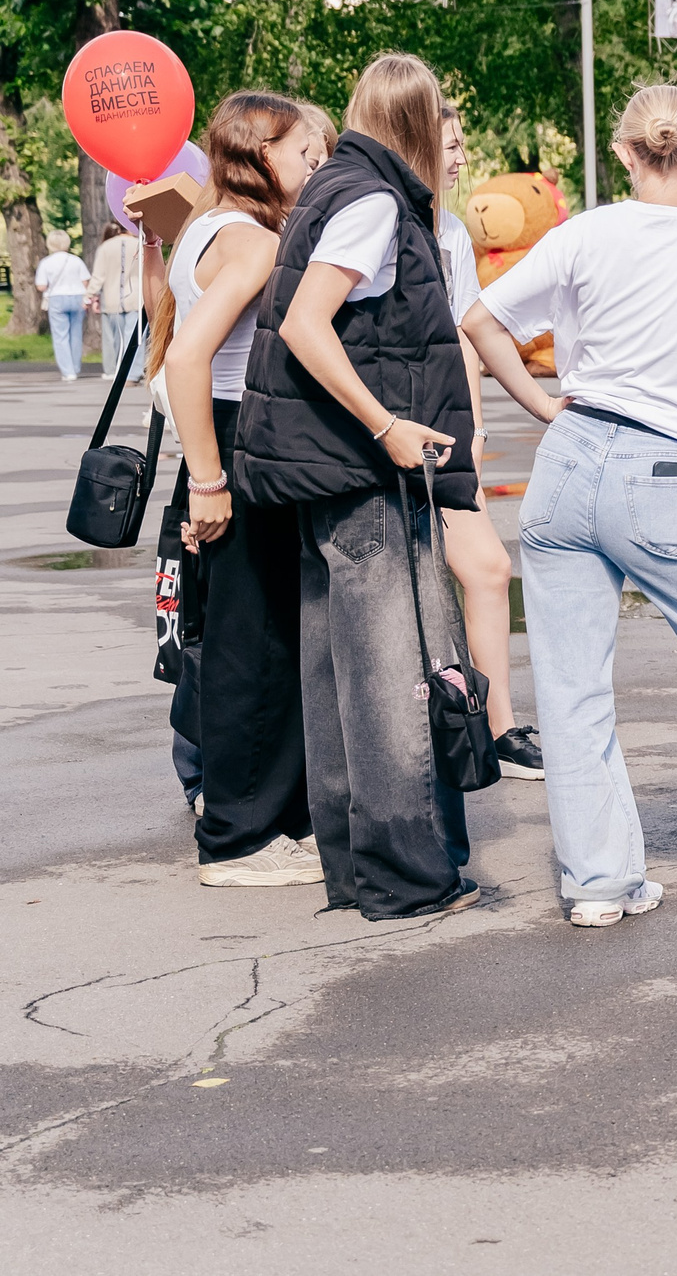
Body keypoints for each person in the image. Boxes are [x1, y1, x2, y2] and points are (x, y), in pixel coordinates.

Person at [460, 85, 677, 927]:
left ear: (622, 152)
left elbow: (479, 316)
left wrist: (544, 407)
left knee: (574, 687)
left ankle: (600, 885)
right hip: (664, 471)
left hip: (569, 461)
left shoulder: (583, 233)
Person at [236, 51, 484, 922]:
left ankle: (360, 869)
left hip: (319, 471)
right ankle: (408, 875)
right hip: (362, 470)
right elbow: (307, 324)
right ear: (417, 120)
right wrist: (386, 423)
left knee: (337, 674)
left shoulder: (333, 188)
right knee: (388, 681)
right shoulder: (375, 201)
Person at [157, 93, 330, 887]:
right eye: (305, 154)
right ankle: (239, 839)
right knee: (252, 647)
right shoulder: (252, 243)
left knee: (247, 638)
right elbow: (188, 360)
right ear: (262, 156)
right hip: (236, 440)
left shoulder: (205, 224)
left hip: (230, 439)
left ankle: (261, 822)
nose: (316, 166)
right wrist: (209, 480)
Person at [436, 103, 541, 780]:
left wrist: (474, 430)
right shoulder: (373, 220)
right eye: (449, 143)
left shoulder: (448, 230)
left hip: (443, 435)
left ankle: (498, 729)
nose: (461, 156)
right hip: (377, 438)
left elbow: (468, 334)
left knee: (488, 568)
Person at [36, 230, 90, 381]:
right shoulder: (76, 260)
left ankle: (68, 371)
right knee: (76, 333)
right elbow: (85, 281)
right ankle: (76, 366)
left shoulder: (46, 262)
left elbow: (41, 286)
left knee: (61, 336)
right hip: (78, 297)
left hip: (57, 298)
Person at [94, 224, 145, 380]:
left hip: (112, 298)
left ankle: (117, 371)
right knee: (136, 337)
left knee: (115, 339)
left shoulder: (105, 247)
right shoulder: (140, 244)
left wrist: (91, 295)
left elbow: (98, 275)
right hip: (136, 297)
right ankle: (133, 373)